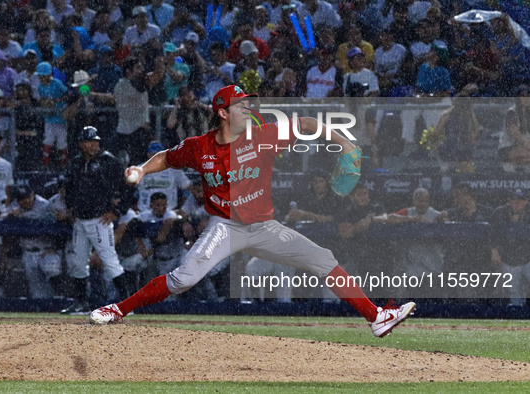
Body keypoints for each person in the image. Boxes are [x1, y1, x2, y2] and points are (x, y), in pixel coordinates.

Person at [89, 85, 416, 338]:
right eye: (241, 104)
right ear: (223, 113)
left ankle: (376, 317)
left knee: (323, 259)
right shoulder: (199, 147)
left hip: (264, 227)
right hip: (225, 227)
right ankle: (118, 308)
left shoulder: (262, 136)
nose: (248, 107)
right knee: (183, 278)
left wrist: (342, 142)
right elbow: (166, 157)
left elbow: (305, 123)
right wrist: (143, 169)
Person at [61, 126, 133, 314]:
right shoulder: (76, 163)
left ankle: (128, 304)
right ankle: (81, 302)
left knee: (110, 261)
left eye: (95, 141)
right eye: (88, 141)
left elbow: (128, 188)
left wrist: (116, 211)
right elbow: (68, 187)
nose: (92, 145)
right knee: (78, 263)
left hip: (100, 220)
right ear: (81, 144)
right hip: (80, 220)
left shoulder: (109, 161)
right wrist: (70, 208)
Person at [0, 186, 64, 299]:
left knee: (51, 267)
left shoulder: (45, 205)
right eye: (22, 199)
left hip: (47, 250)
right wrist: (10, 216)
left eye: (28, 197)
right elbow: (1, 218)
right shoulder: (15, 206)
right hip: (28, 252)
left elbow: (59, 225)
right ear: (18, 200)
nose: (27, 200)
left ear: (33, 194)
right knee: (38, 294)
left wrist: (56, 247)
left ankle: (61, 297)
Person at [490, 189, 530, 307]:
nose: (517, 203)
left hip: (527, 257)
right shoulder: (500, 212)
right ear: (509, 200)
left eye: (521, 200)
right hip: (508, 258)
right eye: (514, 199)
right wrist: (494, 252)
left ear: (527, 201)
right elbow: (492, 234)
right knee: (513, 292)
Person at [137, 141, 191, 213]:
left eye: (158, 154)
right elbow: (129, 187)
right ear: (148, 155)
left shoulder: (174, 169)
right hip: (144, 212)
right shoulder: (139, 169)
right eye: (153, 154)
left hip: (169, 212)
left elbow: (187, 186)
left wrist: (184, 206)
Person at [37, 61, 68, 168]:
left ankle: (63, 165)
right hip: (49, 117)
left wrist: (56, 101)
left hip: (60, 117)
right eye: (40, 76)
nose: (41, 78)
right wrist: (46, 103)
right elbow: (41, 100)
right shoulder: (40, 87)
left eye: (43, 76)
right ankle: (45, 164)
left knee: (61, 142)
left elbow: (67, 94)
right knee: (48, 140)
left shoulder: (56, 83)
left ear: (49, 75)